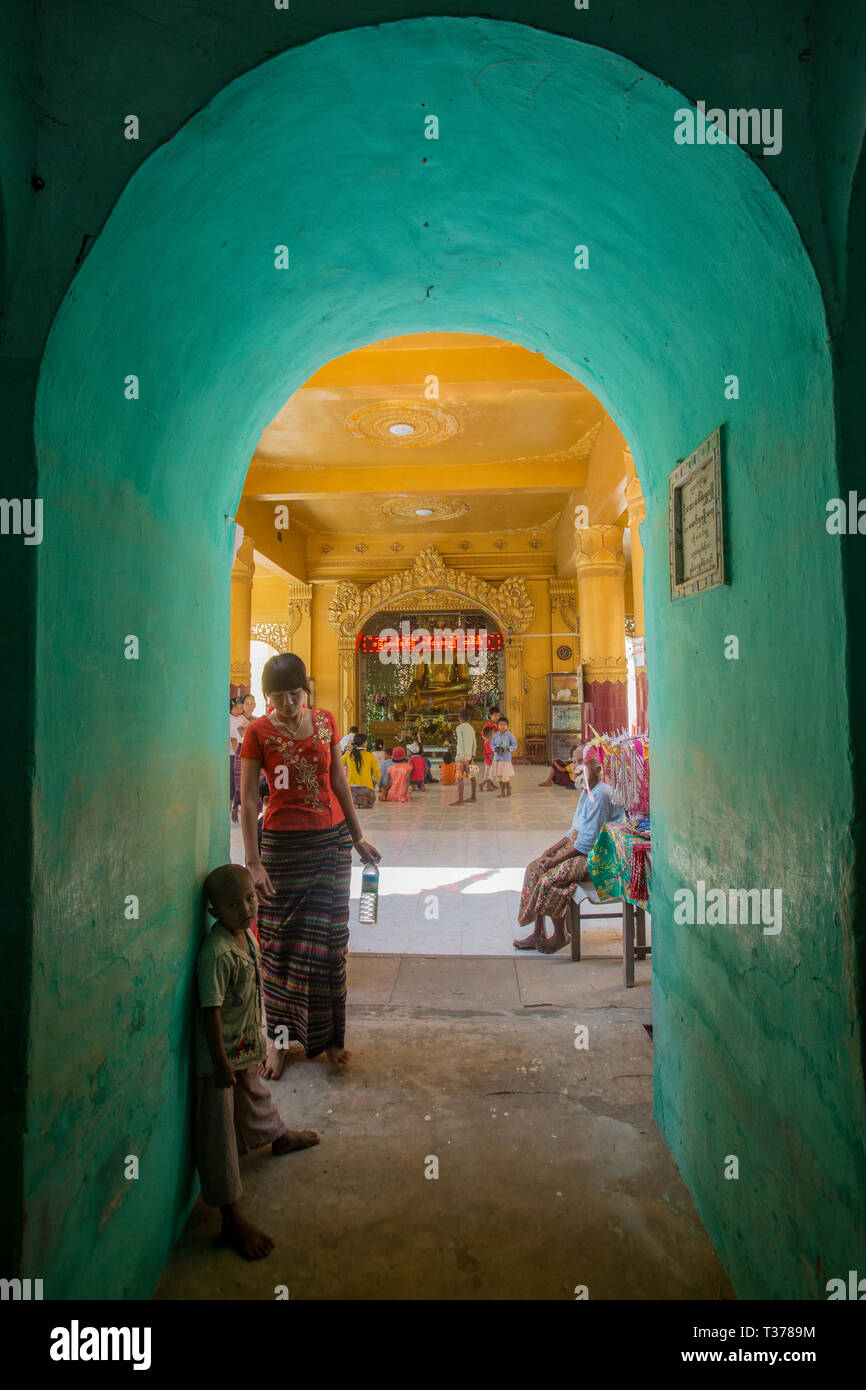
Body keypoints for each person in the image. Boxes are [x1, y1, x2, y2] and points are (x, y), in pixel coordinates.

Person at [238, 653, 381, 1078]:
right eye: (277, 696)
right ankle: (278, 1043)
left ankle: (332, 1040)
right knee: (279, 949)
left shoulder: (325, 722)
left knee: (331, 944)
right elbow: (248, 799)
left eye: (294, 694)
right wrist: (253, 862)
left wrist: (357, 837)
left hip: (331, 844)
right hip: (282, 848)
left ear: (306, 690)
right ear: (267, 697)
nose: (286, 703)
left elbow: (338, 780)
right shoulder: (257, 733)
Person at [195, 863, 320, 1260]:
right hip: (219, 1060)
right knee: (219, 1134)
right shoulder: (216, 953)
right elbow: (210, 1009)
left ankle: (277, 1136)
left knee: (255, 1094)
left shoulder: (245, 936)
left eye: (250, 898)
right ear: (215, 912)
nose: (247, 909)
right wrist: (218, 1061)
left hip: (243, 1047)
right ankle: (230, 1216)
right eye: (234, 905)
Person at [513, 751, 620, 953]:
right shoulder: (587, 790)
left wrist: (556, 861)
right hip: (578, 847)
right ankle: (538, 932)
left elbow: (587, 843)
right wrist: (552, 850)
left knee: (550, 878)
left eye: (584, 762)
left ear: (598, 769)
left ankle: (561, 935)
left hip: (597, 856)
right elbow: (575, 829)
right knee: (535, 868)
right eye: (576, 761)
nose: (577, 766)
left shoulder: (602, 794)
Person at [231, 694, 256, 822]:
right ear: (243, 705)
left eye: (252, 703)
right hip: (241, 752)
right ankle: (235, 809)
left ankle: (255, 814)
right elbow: (242, 733)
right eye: (247, 703)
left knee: (255, 784)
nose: (250, 706)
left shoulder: (255, 719)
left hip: (254, 752)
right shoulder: (237, 720)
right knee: (240, 785)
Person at [342, 731, 380, 808]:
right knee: (370, 798)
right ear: (364, 743)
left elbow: (338, 766)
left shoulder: (347, 755)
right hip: (366, 790)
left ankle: (354, 803)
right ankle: (362, 803)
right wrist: (373, 783)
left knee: (346, 797)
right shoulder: (370, 756)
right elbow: (378, 774)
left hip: (351, 790)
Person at [451, 705, 477, 806]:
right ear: (469, 718)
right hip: (470, 756)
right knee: (472, 776)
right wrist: (472, 756)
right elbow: (474, 743)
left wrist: (462, 758)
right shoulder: (471, 728)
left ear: (459, 718)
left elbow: (460, 743)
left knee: (460, 777)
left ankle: (460, 800)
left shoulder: (459, 728)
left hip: (461, 756)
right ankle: (473, 797)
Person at [491, 715, 518, 797]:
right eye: (501, 724)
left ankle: (508, 790)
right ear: (498, 725)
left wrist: (508, 748)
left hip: (506, 760)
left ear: (507, 726)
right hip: (497, 759)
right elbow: (492, 745)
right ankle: (502, 792)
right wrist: (496, 748)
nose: (502, 726)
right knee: (499, 777)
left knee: (505, 777)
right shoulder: (495, 735)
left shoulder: (510, 735)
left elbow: (515, 745)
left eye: (504, 724)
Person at [229, 697, 244, 806]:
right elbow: (233, 739)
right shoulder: (229, 718)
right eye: (236, 708)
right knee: (232, 779)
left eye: (240, 708)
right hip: (232, 753)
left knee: (239, 778)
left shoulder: (242, 719)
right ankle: (230, 803)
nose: (239, 710)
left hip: (240, 752)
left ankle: (237, 802)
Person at [480, 722, 496, 792]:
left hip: (489, 762)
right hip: (489, 762)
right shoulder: (488, 743)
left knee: (488, 775)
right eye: (493, 733)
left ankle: (483, 785)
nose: (494, 734)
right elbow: (490, 754)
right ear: (489, 735)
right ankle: (485, 786)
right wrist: (493, 761)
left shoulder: (488, 741)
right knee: (489, 775)